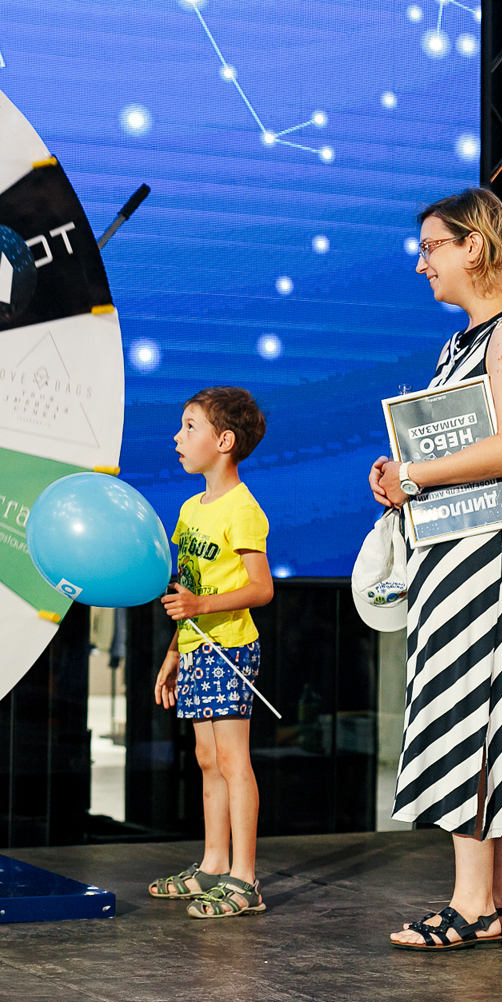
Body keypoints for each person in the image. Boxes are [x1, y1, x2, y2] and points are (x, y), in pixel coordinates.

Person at [371, 187, 502, 951]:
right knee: (481, 712)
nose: (422, 265)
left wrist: (414, 474)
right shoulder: (464, 343)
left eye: (431, 248)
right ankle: (495, 901)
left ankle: (471, 904)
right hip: (456, 550)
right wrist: (403, 475)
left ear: (473, 246)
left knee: (473, 711)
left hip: (486, 558)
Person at [148, 386, 274, 918]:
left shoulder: (243, 509)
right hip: (196, 649)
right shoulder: (188, 509)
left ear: (224, 441)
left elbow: (261, 588)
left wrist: (200, 606)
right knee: (206, 758)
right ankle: (213, 865)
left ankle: (245, 879)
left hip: (230, 650)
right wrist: (174, 652)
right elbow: (188, 590)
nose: (178, 437)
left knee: (231, 759)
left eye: (190, 427)